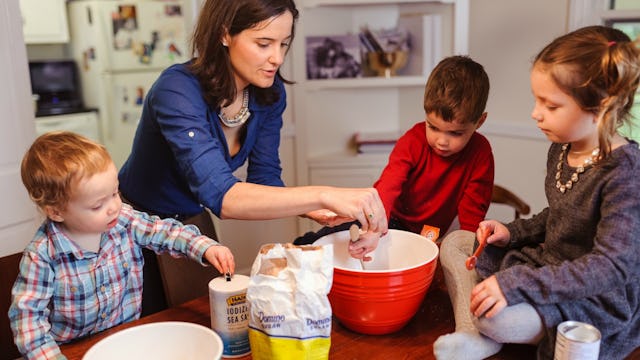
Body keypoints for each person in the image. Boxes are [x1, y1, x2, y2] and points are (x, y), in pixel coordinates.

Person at [117, 0, 387, 314]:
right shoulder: (176, 90)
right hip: (136, 226)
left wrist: (319, 208)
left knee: (200, 320)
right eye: (263, 43)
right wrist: (324, 194)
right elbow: (224, 197)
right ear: (224, 34)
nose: (277, 58)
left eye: (283, 44)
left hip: (192, 224)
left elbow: (265, 179)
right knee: (147, 329)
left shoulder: (269, 94)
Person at [434, 25, 640, 360]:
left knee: (495, 316)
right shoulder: (562, 149)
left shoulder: (625, 172)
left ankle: (485, 328)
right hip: (548, 265)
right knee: (459, 241)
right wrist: (510, 232)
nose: (535, 113)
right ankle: (472, 335)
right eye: (536, 100)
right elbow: (558, 216)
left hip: (594, 295)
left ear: (601, 107)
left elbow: (610, 267)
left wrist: (515, 285)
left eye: (551, 105)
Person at [9, 132, 235, 360]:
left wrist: (205, 247)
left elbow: (164, 232)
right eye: (98, 205)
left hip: (127, 342)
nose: (114, 207)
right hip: (73, 351)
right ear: (56, 212)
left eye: (115, 193)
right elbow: (28, 323)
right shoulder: (42, 256)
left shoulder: (124, 220)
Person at [294, 55, 494, 261]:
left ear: (480, 121)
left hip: (429, 234)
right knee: (339, 236)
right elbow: (388, 186)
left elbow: (473, 211)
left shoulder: (480, 152)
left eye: (455, 133)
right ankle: (299, 248)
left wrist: (471, 250)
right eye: (433, 127)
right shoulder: (412, 141)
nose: (442, 141)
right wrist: (374, 228)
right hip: (389, 218)